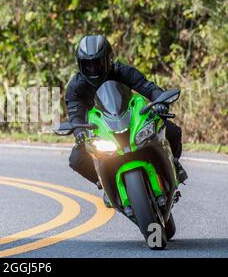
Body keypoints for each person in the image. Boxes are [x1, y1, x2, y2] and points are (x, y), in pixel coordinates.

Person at [66, 35, 188, 205]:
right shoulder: (75, 86)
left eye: (98, 63)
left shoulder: (122, 71)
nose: (93, 69)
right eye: (88, 64)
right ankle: (103, 182)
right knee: (76, 159)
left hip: (131, 119)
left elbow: (147, 87)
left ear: (109, 59)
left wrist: (160, 101)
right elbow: (74, 112)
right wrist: (78, 131)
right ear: (80, 65)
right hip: (99, 129)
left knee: (173, 131)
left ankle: (173, 163)